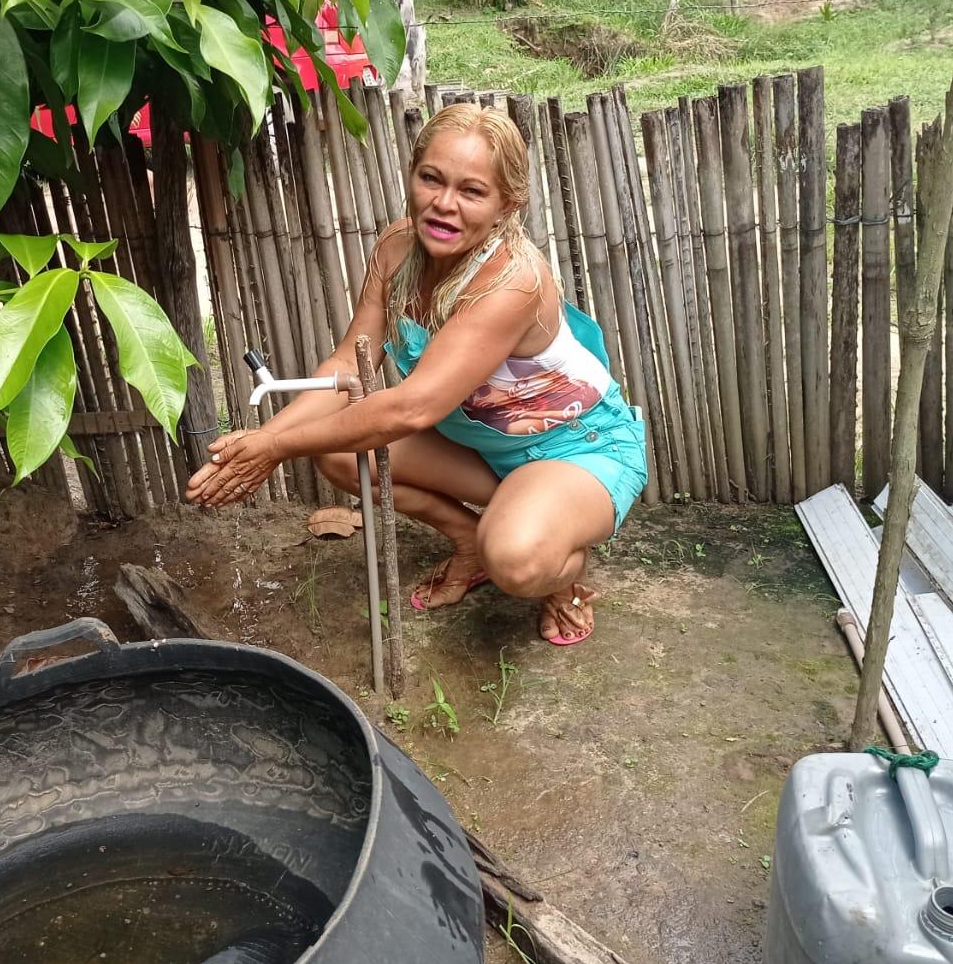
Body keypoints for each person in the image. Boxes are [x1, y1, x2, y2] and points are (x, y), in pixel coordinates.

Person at [185, 105, 648, 645]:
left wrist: (275, 446)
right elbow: (347, 363)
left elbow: (412, 408)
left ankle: (562, 577)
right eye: (431, 178)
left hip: (577, 451)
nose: (444, 204)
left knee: (519, 562)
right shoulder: (397, 247)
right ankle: (469, 539)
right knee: (338, 450)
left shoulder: (513, 282)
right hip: (483, 452)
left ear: (507, 206)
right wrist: (268, 438)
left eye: (472, 192)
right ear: (413, 173)